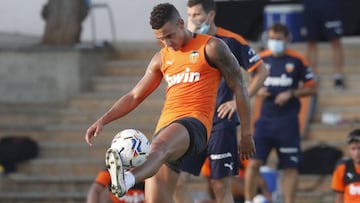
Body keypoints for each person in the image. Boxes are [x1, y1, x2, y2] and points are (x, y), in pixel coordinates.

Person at [85, 3, 255, 202]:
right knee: (157, 196)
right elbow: (134, 96)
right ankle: (129, 178)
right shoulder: (161, 58)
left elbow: (240, 88)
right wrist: (103, 120)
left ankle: (127, 179)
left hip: (195, 124)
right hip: (166, 127)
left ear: (181, 24)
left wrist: (246, 134)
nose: (167, 42)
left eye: (169, 35)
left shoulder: (212, 47)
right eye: (160, 38)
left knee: (158, 148)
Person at [173, 1, 269, 203]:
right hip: (192, 122)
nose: (192, 19)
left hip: (220, 122)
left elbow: (262, 71)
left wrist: (237, 101)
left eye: (197, 14)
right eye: (189, 14)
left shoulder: (231, 41)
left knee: (219, 185)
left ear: (211, 16)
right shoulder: (186, 43)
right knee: (177, 182)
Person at [243, 23, 317, 203]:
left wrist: (291, 93)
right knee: (253, 163)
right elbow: (251, 86)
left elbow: (312, 87)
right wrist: (259, 91)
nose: (275, 42)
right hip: (265, 122)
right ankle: (248, 200)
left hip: (288, 122)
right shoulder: (261, 59)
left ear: (287, 39)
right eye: (272, 39)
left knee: (290, 167)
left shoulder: (297, 60)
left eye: (278, 39)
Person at [302, 0, 345, 89]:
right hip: (311, 5)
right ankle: (312, 77)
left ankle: (338, 76)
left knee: (335, 40)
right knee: (311, 41)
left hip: (330, 5)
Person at [332, 129, 360, 203]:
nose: (357, 153)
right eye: (353, 149)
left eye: (359, 148)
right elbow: (339, 197)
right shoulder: (342, 168)